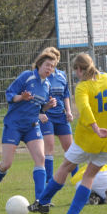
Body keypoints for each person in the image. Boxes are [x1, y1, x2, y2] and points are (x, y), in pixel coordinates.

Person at [29, 53, 107, 214]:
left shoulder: (83, 87)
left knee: (65, 167)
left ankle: (42, 202)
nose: (76, 74)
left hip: (88, 140)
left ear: (80, 69)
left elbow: (84, 108)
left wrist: (95, 128)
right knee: (89, 176)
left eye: (76, 70)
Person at [0, 50, 58, 203]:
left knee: (41, 159)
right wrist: (22, 97)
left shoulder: (47, 85)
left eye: (52, 67)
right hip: (14, 125)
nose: (49, 69)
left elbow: (39, 108)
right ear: (39, 64)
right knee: (6, 164)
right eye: (47, 65)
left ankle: (41, 200)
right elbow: (9, 93)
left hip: (32, 126)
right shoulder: (27, 76)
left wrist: (47, 106)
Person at [38, 47, 76, 182]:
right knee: (49, 147)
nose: (52, 61)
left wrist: (69, 111)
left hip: (61, 115)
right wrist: (39, 111)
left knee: (71, 149)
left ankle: (76, 178)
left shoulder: (61, 76)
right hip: (47, 116)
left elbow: (66, 94)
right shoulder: (41, 76)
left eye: (55, 58)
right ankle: (49, 179)